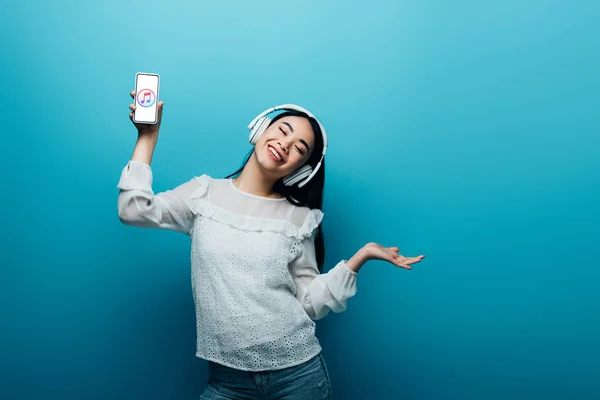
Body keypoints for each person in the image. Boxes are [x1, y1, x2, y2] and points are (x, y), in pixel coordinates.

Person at [117, 91, 425, 400]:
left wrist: (360, 257)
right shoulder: (202, 194)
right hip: (227, 383)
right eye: (283, 130)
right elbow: (133, 210)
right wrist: (147, 136)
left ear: (301, 170)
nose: (285, 144)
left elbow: (307, 303)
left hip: (299, 378)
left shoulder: (299, 219)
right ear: (260, 129)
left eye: (300, 148)